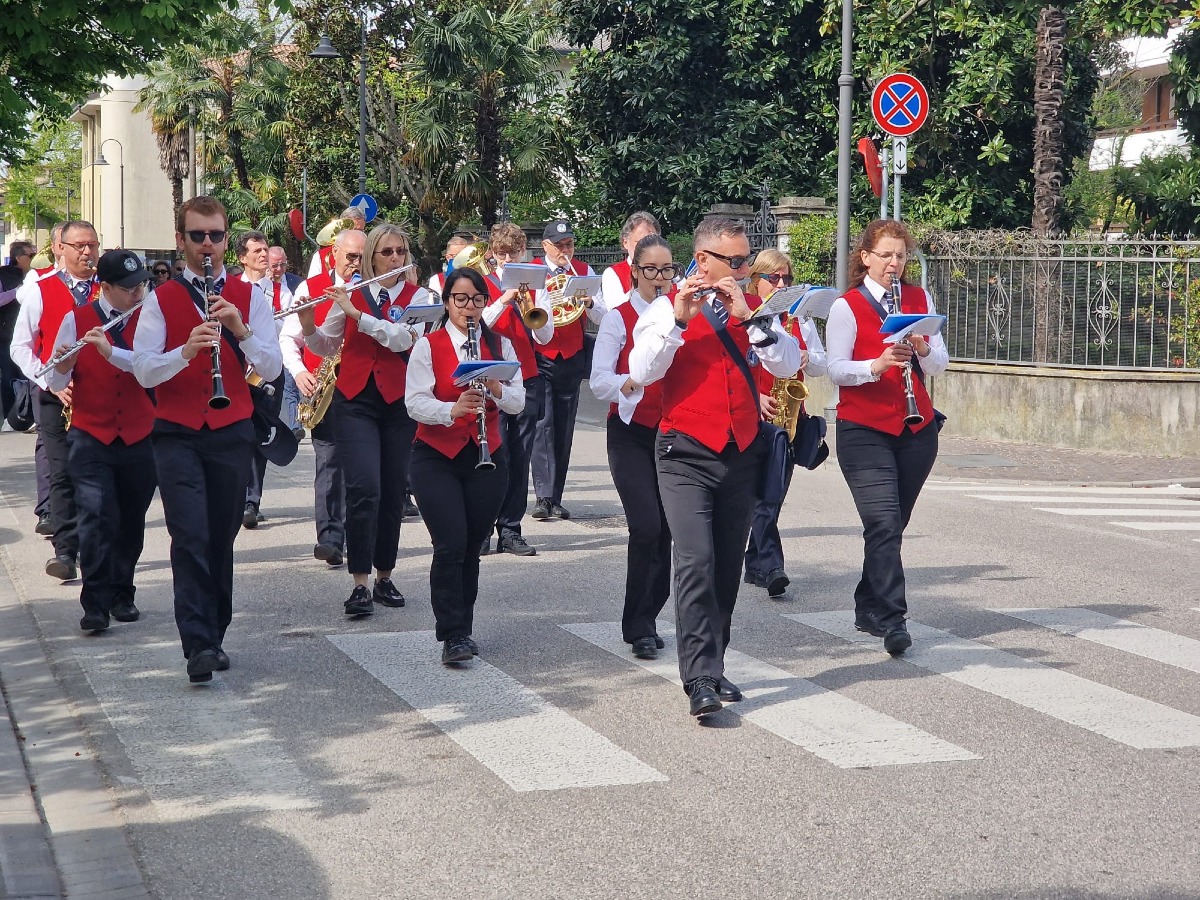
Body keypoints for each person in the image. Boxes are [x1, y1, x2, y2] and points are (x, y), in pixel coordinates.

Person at [629, 216, 800, 718]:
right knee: (696, 559)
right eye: (736, 262)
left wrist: (749, 316)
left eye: (748, 260)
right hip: (684, 451)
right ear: (703, 261)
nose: (746, 269)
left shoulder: (752, 310)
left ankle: (715, 661)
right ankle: (698, 675)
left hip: (741, 451)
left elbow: (787, 364)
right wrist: (680, 320)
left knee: (726, 566)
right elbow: (641, 372)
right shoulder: (663, 310)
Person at [132, 195, 282, 683]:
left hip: (231, 429)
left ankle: (215, 629)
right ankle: (196, 642)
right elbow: (143, 367)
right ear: (181, 241)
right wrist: (185, 351)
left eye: (216, 235)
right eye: (197, 236)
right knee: (189, 534)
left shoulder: (249, 295)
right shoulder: (160, 298)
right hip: (176, 432)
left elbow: (273, 368)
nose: (207, 245)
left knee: (220, 534)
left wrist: (240, 330)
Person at [826, 218, 948, 656]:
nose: (894, 264)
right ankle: (894, 618)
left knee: (891, 527)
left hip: (916, 429)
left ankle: (867, 603)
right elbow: (835, 368)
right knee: (882, 523)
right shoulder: (847, 306)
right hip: (864, 429)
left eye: (900, 256)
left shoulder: (919, 299)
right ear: (865, 259)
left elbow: (939, 367)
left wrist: (923, 347)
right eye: (885, 256)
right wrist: (874, 367)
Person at [299, 223, 421, 617]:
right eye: (386, 253)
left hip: (398, 402)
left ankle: (385, 575)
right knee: (364, 486)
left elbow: (403, 339)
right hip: (355, 401)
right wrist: (305, 325)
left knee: (390, 491)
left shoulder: (422, 297)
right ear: (371, 257)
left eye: (400, 252)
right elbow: (325, 343)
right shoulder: (352, 294)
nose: (395, 260)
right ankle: (360, 583)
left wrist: (359, 315)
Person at [406, 267, 525, 663]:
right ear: (446, 303)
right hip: (435, 455)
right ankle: (452, 633)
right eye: (460, 299)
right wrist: (451, 409)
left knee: (473, 545)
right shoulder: (429, 345)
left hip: (485, 454)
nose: (469, 307)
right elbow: (414, 402)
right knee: (451, 542)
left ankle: (464, 628)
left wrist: (493, 385)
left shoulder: (501, 346)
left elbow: (518, 402)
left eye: (476, 299)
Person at [46, 250, 157, 633]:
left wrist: (113, 352)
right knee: (95, 516)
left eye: (140, 284)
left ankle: (122, 592)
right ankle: (95, 602)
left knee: (130, 520)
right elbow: (56, 383)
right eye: (128, 288)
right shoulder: (75, 320)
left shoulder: (149, 318)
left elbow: (152, 370)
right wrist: (62, 365)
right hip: (92, 435)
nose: (137, 293)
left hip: (141, 434)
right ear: (104, 287)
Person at [590, 234, 675, 659]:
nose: (660, 279)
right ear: (636, 272)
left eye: (667, 270)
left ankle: (651, 615)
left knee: (668, 531)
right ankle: (637, 623)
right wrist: (630, 381)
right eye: (651, 270)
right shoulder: (617, 318)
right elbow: (599, 377)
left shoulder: (682, 313)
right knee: (646, 526)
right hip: (630, 432)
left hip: (674, 433)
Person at [11, 220, 102, 581]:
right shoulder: (41, 290)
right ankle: (66, 548)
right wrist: (49, 379)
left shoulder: (108, 290)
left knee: (97, 474)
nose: (87, 252)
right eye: (79, 245)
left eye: (92, 245)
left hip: (100, 395)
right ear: (60, 249)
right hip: (54, 396)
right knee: (62, 472)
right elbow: (21, 346)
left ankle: (98, 547)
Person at [742, 248, 827, 599]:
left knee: (773, 494)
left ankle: (754, 561)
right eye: (773, 278)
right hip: (759, 414)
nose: (781, 284)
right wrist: (753, 397)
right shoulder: (748, 314)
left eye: (786, 278)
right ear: (756, 280)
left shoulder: (799, 318)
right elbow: (734, 366)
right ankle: (769, 566)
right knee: (766, 493)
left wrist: (809, 356)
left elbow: (823, 364)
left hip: (791, 415)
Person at [279, 229, 360, 568]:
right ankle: (330, 537)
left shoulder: (373, 288)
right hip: (324, 386)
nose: (356, 264)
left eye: (361, 257)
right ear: (334, 255)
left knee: (361, 466)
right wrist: (299, 372)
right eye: (350, 257)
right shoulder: (309, 288)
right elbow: (288, 338)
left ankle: (359, 534)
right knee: (329, 463)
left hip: (364, 388)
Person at [479, 222, 553, 556]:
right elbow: (479, 323)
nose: (507, 259)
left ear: (523, 251)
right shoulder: (480, 282)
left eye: (513, 252)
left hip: (528, 374)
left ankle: (510, 529)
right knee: (493, 454)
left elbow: (546, 337)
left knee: (519, 456)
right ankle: (482, 528)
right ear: (493, 254)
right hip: (492, 373)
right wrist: (506, 298)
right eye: (501, 253)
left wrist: (530, 307)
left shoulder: (536, 285)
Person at [530, 218, 602, 520]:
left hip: (572, 355)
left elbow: (603, 313)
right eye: (559, 246)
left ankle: (555, 496)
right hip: (541, 353)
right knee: (543, 423)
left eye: (569, 245)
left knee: (564, 426)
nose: (565, 251)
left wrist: (588, 302)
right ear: (546, 246)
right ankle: (543, 497)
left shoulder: (584, 272)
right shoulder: (533, 269)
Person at [235, 230, 286, 529]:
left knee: (261, 433)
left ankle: (252, 500)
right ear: (243, 258)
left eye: (265, 249)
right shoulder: (233, 288)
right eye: (257, 251)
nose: (264, 255)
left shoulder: (283, 289)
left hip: (267, 371)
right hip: (238, 371)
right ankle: (238, 494)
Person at [0, 241, 35, 418]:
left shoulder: (34, 275)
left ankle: (27, 414)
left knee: (27, 374)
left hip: (28, 332)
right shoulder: (4, 275)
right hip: (6, 334)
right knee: (9, 376)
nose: (34, 259)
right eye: (31, 255)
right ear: (18, 258)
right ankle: (11, 414)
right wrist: (19, 291)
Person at [600, 211, 661, 312]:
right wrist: (643, 286)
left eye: (653, 241)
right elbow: (614, 310)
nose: (649, 247)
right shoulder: (612, 273)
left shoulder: (667, 270)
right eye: (641, 242)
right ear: (625, 243)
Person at [308, 207, 367, 277]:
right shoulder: (320, 256)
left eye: (361, 231)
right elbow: (312, 284)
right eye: (354, 230)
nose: (357, 234)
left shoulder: (368, 254)